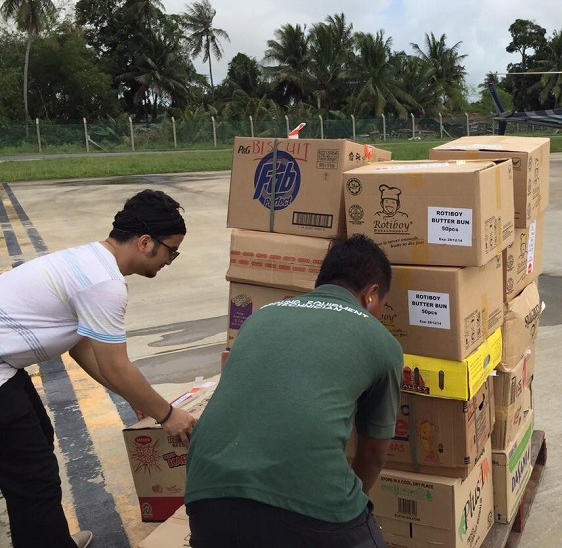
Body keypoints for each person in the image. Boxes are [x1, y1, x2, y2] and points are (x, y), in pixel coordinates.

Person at [0, 189, 196, 548]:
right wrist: (167, 414)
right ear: (145, 242)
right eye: (171, 250)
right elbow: (115, 366)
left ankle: (46, 537)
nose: (171, 260)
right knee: (33, 474)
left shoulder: (89, 259)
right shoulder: (105, 283)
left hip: (6, 367)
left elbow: (81, 348)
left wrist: (138, 399)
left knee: (36, 444)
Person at [185, 234, 403, 548]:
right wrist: (348, 508)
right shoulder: (383, 343)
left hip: (206, 500)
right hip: (311, 511)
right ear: (371, 294)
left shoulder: (260, 318)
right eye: (382, 304)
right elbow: (373, 455)